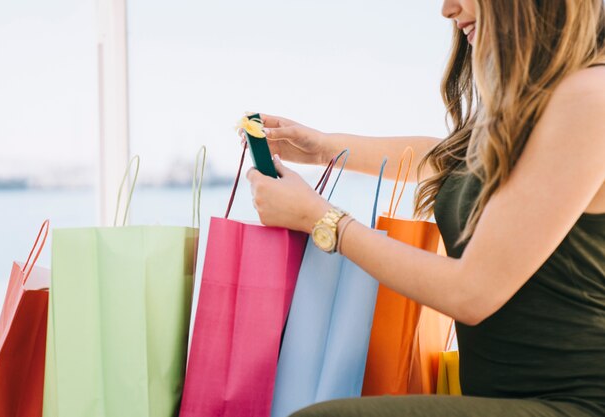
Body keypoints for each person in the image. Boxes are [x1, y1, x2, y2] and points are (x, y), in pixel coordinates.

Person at [245, 0, 605, 416]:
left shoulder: (590, 98)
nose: (447, 9)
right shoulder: (553, 95)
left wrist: (321, 220)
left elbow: (471, 292)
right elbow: (455, 161)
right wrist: (322, 147)